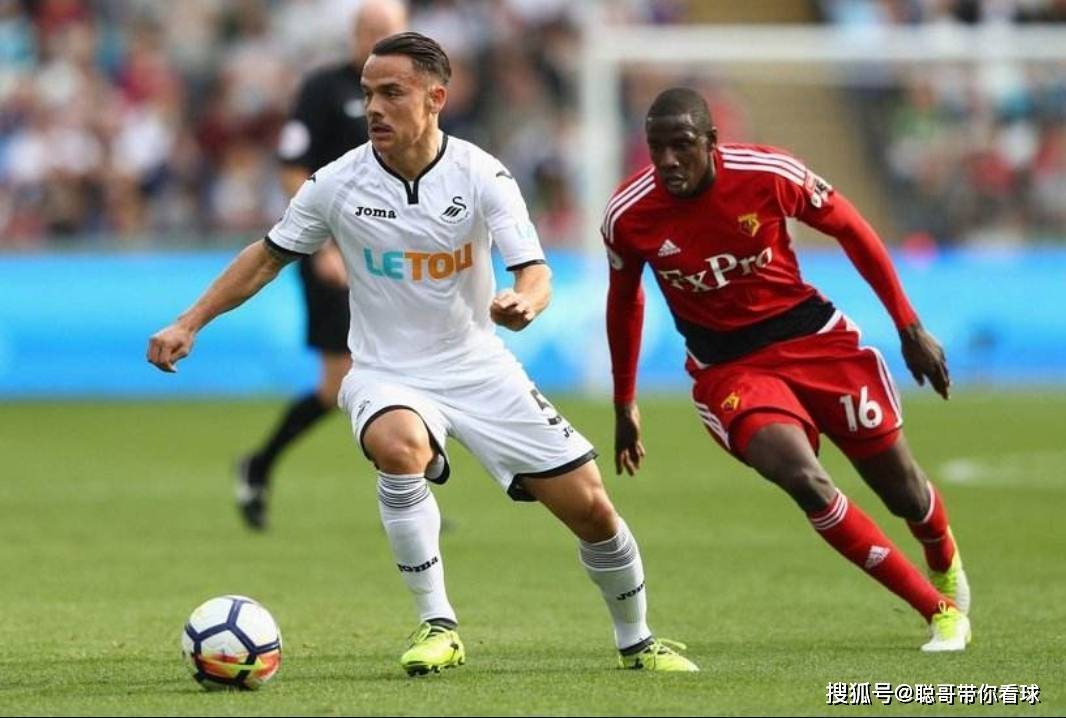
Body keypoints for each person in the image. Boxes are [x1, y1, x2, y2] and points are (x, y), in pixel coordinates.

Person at [148, 33, 697, 675]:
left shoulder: (481, 174)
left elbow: (535, 271)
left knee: (593, 508)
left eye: (391, 93)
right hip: (385, 372)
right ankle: (438, 624)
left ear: (436, 98)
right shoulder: (337, 183)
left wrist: (525, 302)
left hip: (479, 367)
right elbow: (266, 257)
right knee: (398, 445)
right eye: (367, 95)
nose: (374, 108)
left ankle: (637, 640)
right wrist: (190, 321)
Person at [603, 87, 971, 652]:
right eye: (657, 148)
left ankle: (942, 556)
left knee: (902, 491)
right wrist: (624, 401)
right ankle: (938, 611)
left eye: (682, 146)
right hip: (729, 368)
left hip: (814, 341)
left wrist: (908, 326)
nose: (668, 161)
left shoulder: (768, 174)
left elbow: (851, 228)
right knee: (804, 478)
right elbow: (625, 300)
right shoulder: (629, 215)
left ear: (711, 142)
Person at [235, 0, 408, 531]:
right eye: (370, 29)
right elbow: (292, 168)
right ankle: (259, 464)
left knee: (406, 370)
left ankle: (408, 484)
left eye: (389, 30)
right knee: (337, 384)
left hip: (394, 255)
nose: (378, 38)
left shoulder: (414, 91)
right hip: (334, 253)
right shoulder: (323, 89)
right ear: (354, 34)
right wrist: (325, 246)